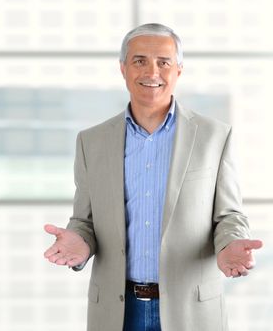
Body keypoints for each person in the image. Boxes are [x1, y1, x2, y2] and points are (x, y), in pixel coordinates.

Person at [43, 23, 263, 331]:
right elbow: (85, 220)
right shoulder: (90, 142)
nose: (152, 72)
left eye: (164, 62)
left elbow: (228, 216)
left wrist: (230, 244)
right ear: (123, 69)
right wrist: (79, 243)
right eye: (140, 61)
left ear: (179, 70)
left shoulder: (215, 136)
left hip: (191, 309)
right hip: (117, 311)